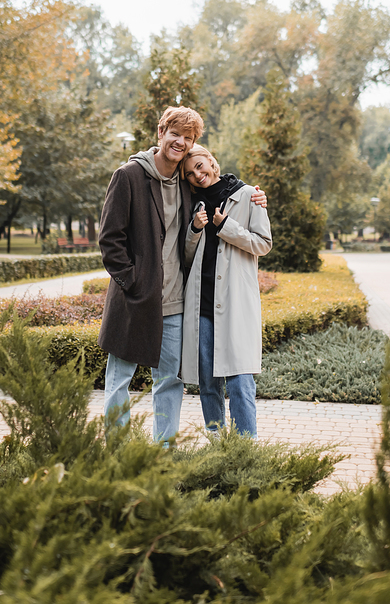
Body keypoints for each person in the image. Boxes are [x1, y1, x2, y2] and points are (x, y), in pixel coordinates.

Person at [98, 106, 267, 444]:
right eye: (175, 134)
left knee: (169, 381)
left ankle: (165, 451)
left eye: (187, 138)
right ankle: (117, 451)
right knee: (119, 380)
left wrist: (256, 196)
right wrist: (133, 282)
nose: (180, 142)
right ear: (161, 133)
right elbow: (110, 240)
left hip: (176, 303)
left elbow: (220, 188)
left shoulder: (187, 183)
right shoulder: (129, 175)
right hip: (134, 300)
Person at [181, 145, 272, 439]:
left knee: (240, 382)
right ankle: (217, 445)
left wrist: (226, 226)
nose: (198, 174)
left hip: (235, 305)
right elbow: (184, 257)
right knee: (207, 383)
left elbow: (263, 243)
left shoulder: (247, 195)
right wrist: (195, 229)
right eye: (190, 173)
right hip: (202, 306)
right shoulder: (191, 204)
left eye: (200, 165)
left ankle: (246, 448)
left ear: (211, 161)